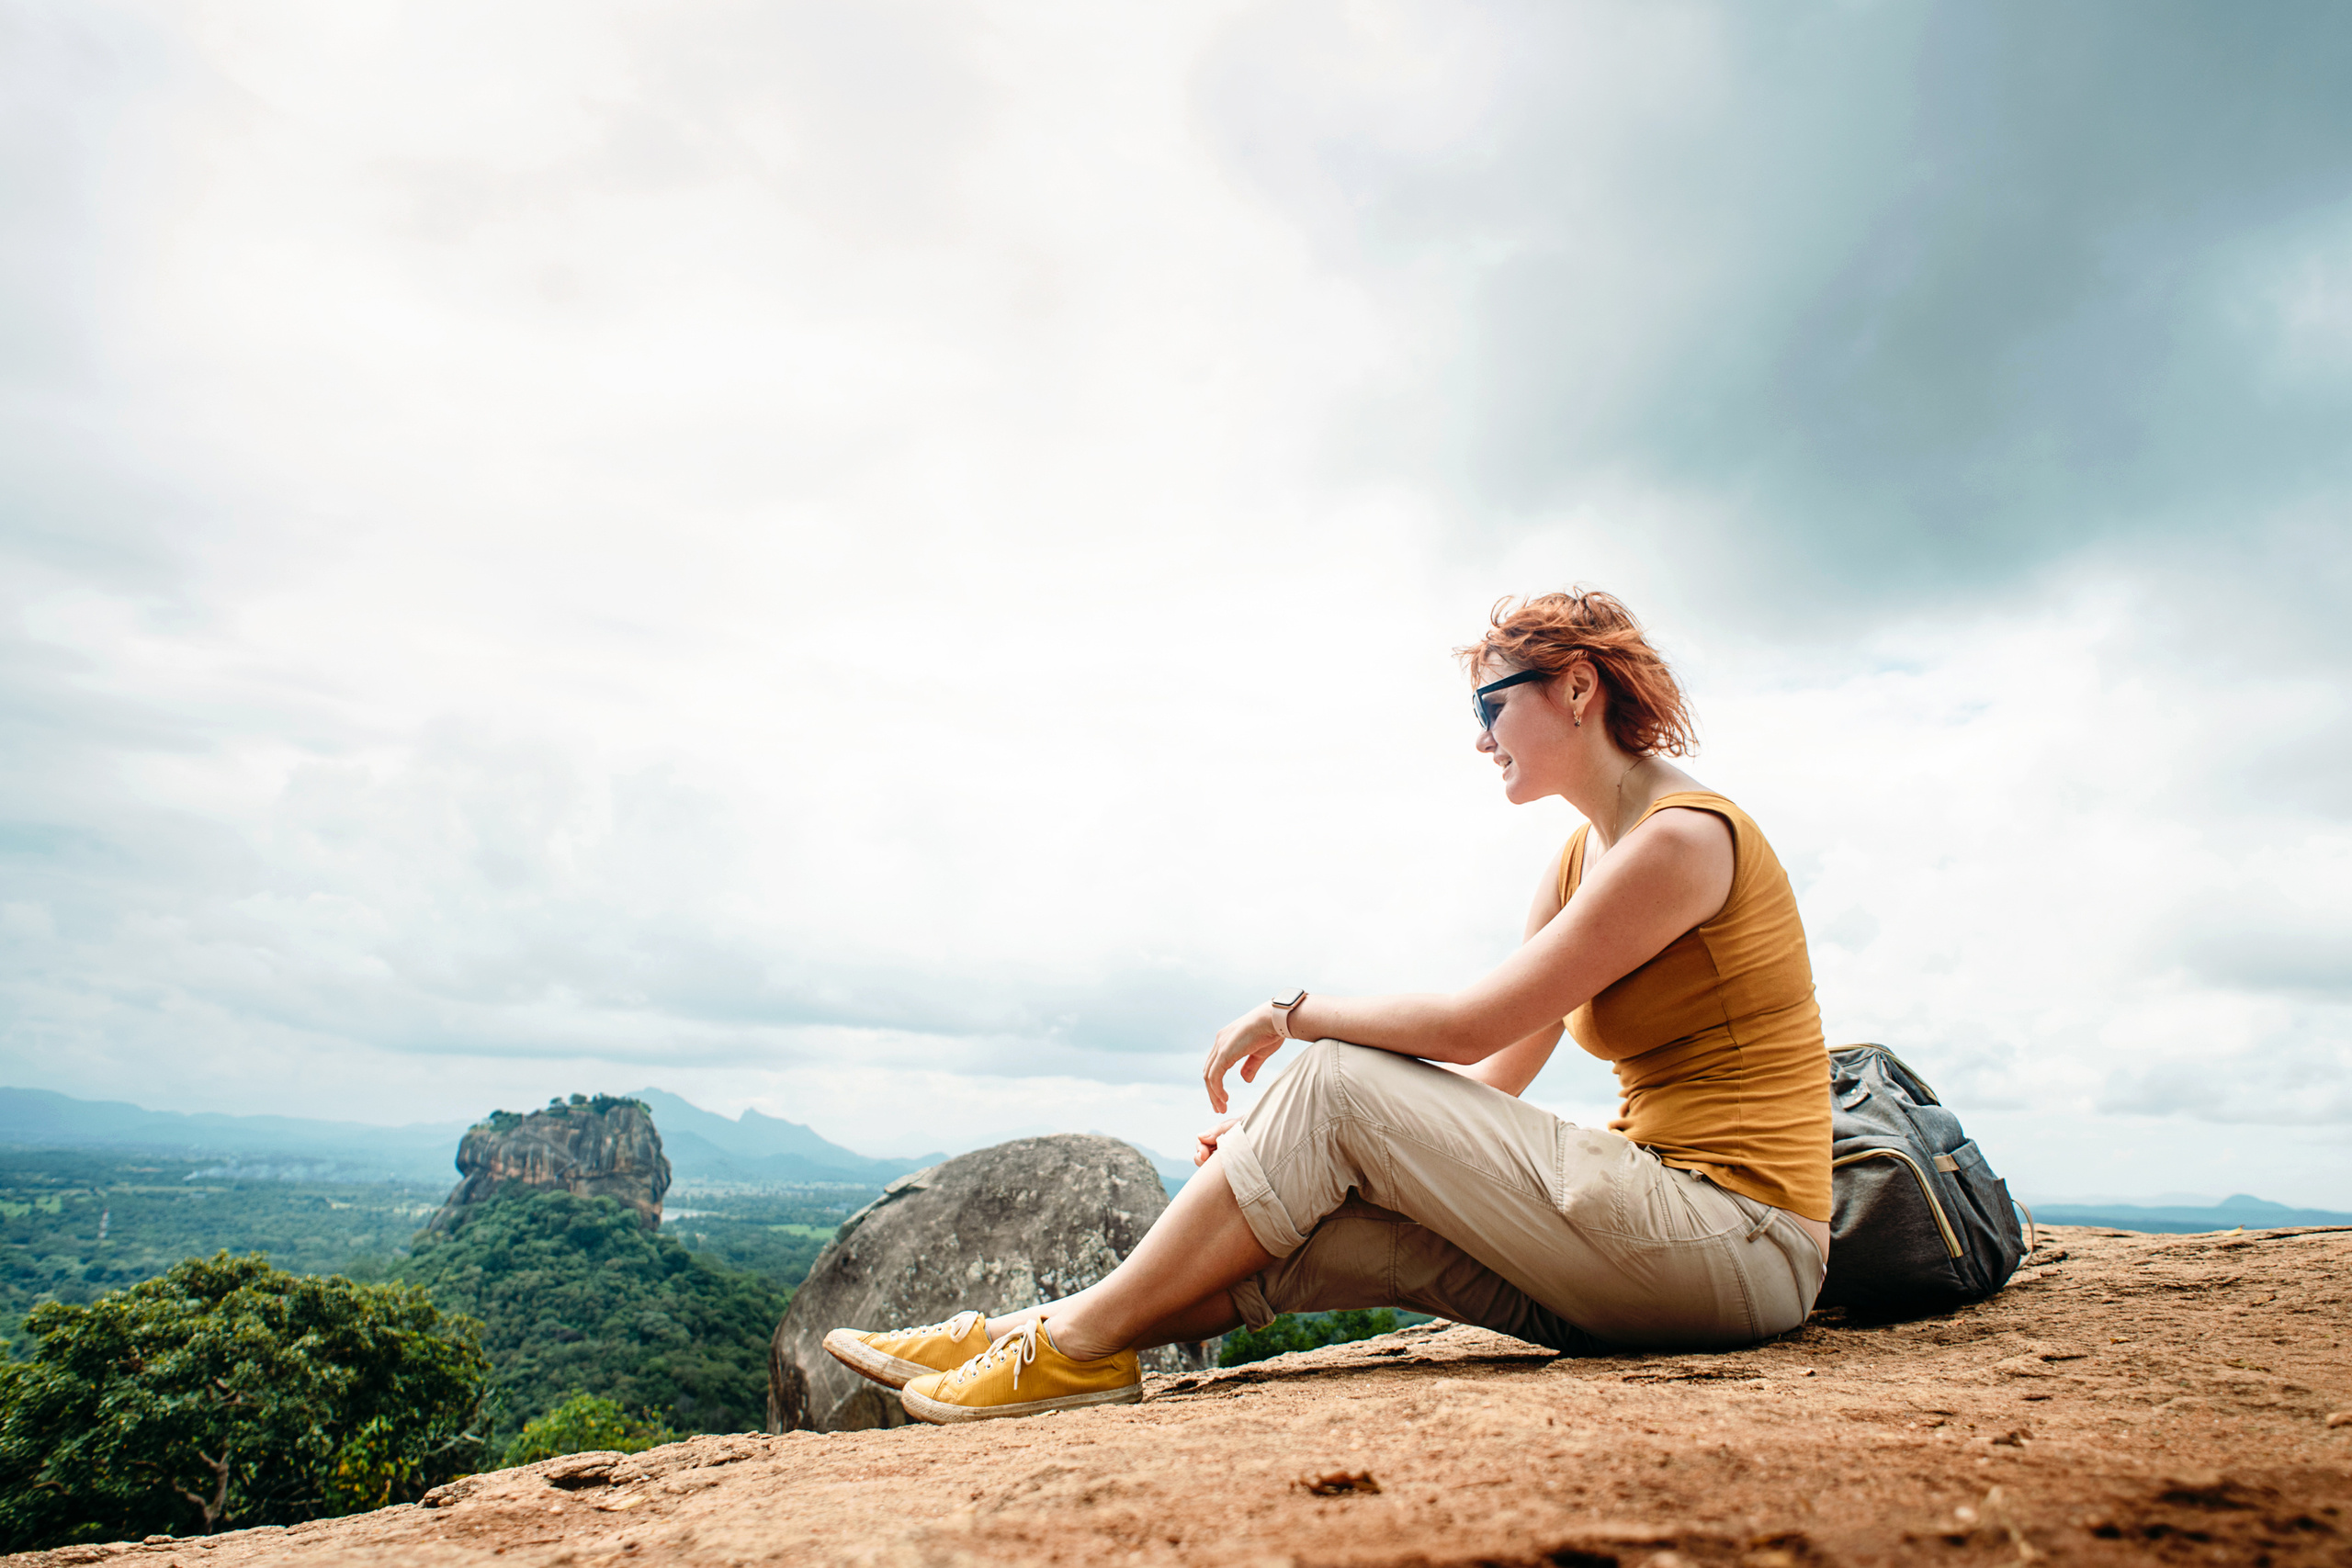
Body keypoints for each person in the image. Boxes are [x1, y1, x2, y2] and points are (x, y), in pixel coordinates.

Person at [824, 589, 1833, 1424]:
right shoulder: (1582, 855)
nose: (1480, 740)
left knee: (1335, 1078)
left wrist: (1291, 1016)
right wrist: (1273, 1148)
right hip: (1654, 1250)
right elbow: (1492, 1078)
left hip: (1737, 1244)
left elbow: (1470, 1027)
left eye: (1490, 707)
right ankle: (1026, 1335)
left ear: (1575, 689)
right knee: (1316, 1227)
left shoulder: (1680, 841)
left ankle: (1068, 1343)